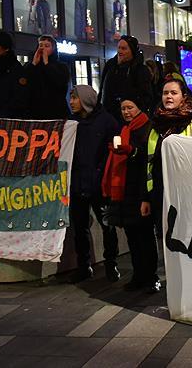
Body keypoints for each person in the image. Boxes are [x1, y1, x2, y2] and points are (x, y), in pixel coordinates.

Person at [144, 79, 192, 235]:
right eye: (165, 93)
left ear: (183, 97)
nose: (168, 96)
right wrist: (147, 197)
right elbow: (148, 163)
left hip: (188, 196)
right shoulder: (155, 125)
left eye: (174, 93)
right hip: (160, 194)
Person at [101, 96, 156, 291]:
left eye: (130, 107)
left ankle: (150, 277)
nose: (126, 112)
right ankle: (138, 276)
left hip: (140, 190)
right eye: (123, 108)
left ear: (139, 108)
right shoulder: (125, 129)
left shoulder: (148, 128)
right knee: (133, 237)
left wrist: (131, 151)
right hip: (125, 190)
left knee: (145, 237)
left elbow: (146, 159)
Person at [68, 85, 120, 283]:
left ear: (86, 100)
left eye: (75, 98)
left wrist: (102, 175)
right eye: (71, 98)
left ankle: (111, 264)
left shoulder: (106, 122)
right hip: (78, 184)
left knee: (107, 225)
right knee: (80, 228)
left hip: (100, 185)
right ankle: (84, 266)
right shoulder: (71, 123)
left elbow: (114, 152)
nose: (71, 101)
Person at [98, 35, 153, 125]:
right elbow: (102, 89)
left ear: (132, 51)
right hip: (109, 116)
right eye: (119, 48)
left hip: (130, 118)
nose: (120, 51)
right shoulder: (110, 65)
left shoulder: (140, 70)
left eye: (124, 48)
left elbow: (146, 95)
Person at [24, 35, 70, 119]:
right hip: (34, 112)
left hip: (55, 112)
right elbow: (23, 81)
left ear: (53, 49)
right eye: (40, 45)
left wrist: (47, 64)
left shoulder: (62, 67)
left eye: (47, 46)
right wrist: (33, 64)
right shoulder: (30, 65)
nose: (42, 48)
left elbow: (60, 83)